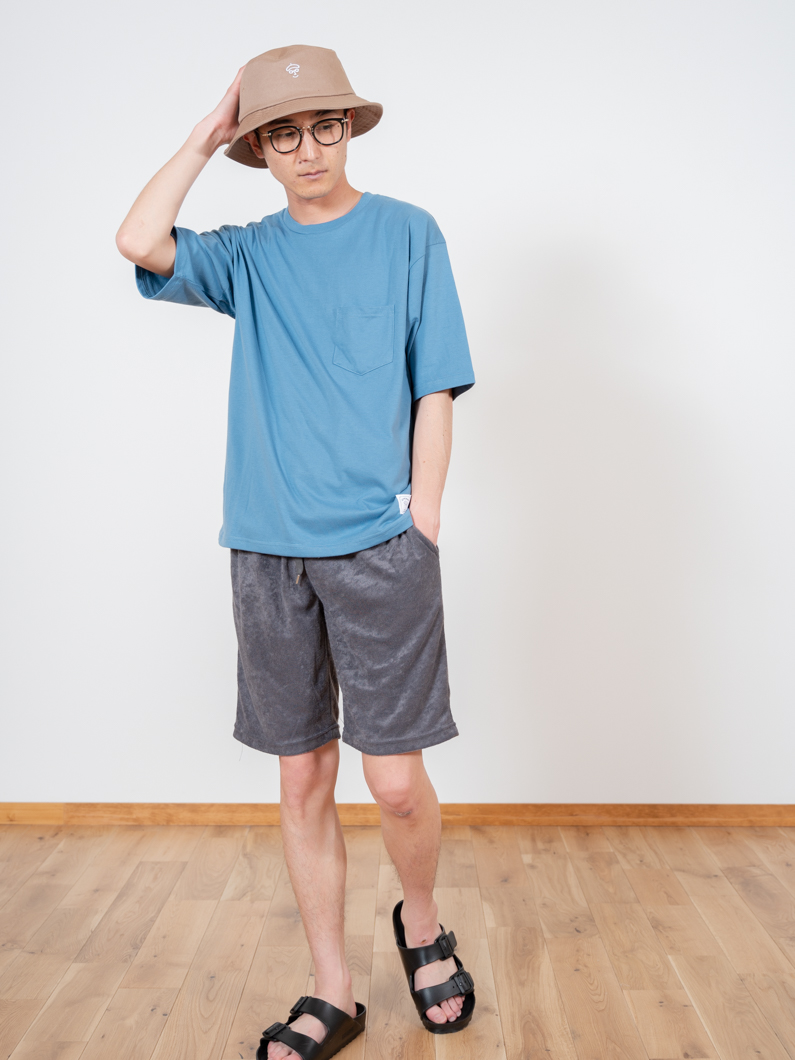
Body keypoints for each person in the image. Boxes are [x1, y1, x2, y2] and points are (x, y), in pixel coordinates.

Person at [116, 44, 476, 1060]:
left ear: (347, 129)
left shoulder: (408, 233)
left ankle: (420, 923)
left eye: (323, 126)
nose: (307, 149)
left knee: (394, 781)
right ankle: (332, 989)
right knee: (303, 777)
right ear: (260, 149)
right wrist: (205, 133)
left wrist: (424, 516)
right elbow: (138, 238)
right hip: (267, 552)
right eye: (281, 134)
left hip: (380, 546)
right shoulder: (249, 255)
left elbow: (436, 382)